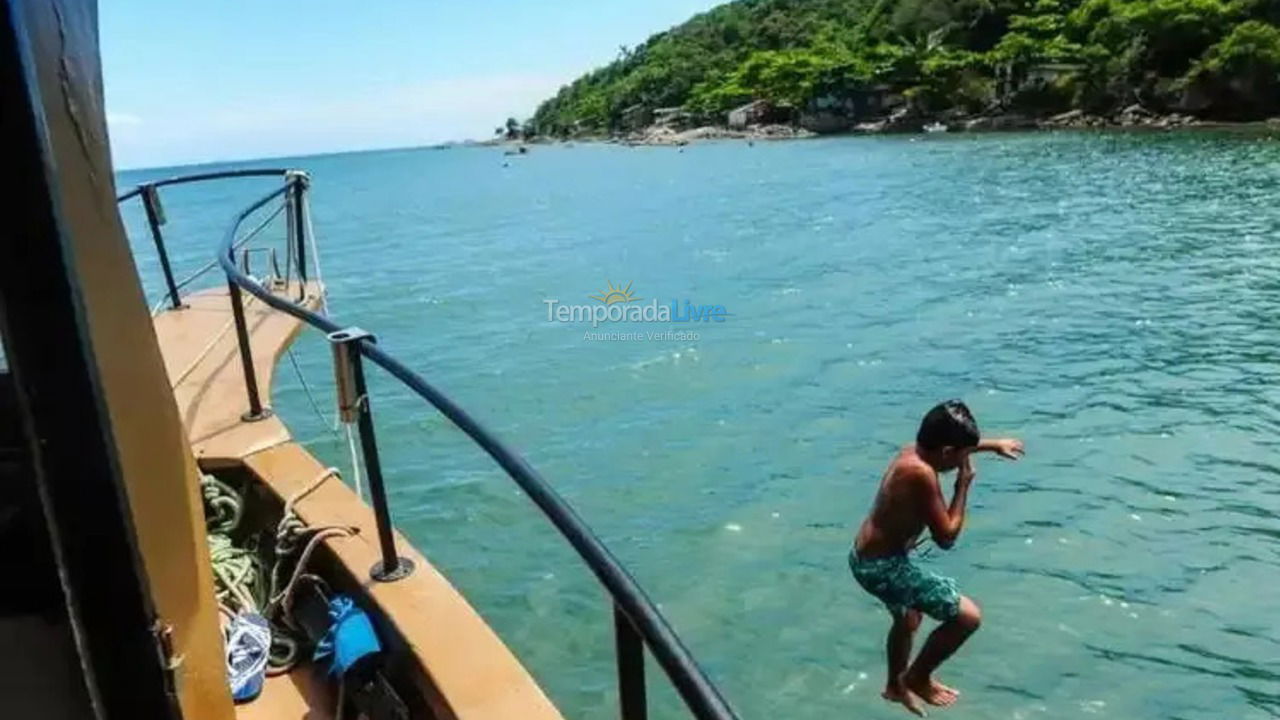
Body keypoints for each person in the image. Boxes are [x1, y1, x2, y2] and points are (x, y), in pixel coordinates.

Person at [849, 400, 1024, 716]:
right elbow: (946, 537)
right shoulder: (921, 475)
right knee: (968, 617)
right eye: (960, 454)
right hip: (883, 567)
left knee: (909, 618)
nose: (962, 460)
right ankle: (917, 677)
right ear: (946, 452)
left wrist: (992, 445)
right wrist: (962, 487)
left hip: (864, 556)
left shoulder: (911, 451)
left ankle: (894, 686)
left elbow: (954, 447)